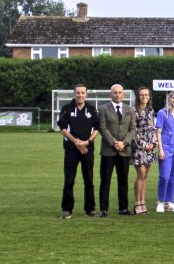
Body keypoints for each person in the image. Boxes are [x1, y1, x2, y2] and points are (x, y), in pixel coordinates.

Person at [58, 84, 100, 219]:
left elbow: (97, 128)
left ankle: (90, 209)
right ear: (74, 94)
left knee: (89, 180)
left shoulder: (92, 109)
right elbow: (63, 129)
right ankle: (66, 209)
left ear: (86, 94)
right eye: (78, 93)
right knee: (69, 180)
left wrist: (87, 142)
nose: (80, 95)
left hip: (87, 149)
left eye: (83, 93)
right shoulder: (67, 108)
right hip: (71, 150)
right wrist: (76, 142)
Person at [97, 84, 137, 217]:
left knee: (123, 180)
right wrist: (114, 143)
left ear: (123, 95)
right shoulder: (103, 109)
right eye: (115, 93)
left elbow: (133, 129)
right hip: (109, 150)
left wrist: (124, 143)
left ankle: (123, 208)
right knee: (105, 180)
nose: (117, 95)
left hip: (124, 151)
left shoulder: (130, 109)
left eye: (120, 92)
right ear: (110, 94)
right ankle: (104, 209)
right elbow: (102, 128)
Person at [131, 87, 156, 215]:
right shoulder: (133, 111)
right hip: (138, 147)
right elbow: (133, 130)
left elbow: (152, 129)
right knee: (140, 175)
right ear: (138, 96)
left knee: (145, 176)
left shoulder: (150, 110)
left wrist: (153, 143)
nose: (144, 97)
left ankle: (143, 201)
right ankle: (137, 203)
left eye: (146, 95)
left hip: (150, 147)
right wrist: (144, 145)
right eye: (142, 95)